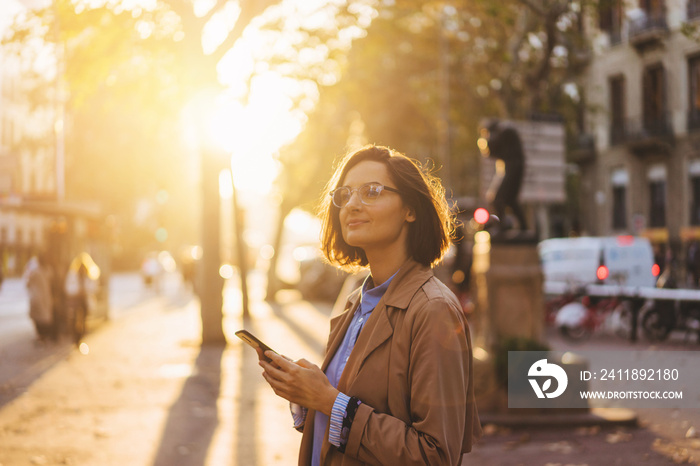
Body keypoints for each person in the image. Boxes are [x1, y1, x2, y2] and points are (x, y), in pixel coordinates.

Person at [259, 145, 481, 465]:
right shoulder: (357, 303)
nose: (352, 204)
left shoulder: (434, 311)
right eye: (345, 194)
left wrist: (327, 399)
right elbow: (342, 415)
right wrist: (305, 392)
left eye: (372, 192)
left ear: (411, 209)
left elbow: (436, 455)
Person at [24, 253, 54, 341]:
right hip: (46, 297)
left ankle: (41, 336)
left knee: (37, 317)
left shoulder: (35, 272)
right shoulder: (48, 270)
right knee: (44, 317)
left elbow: (28, 283)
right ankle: (43, 336)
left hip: (36, 297)